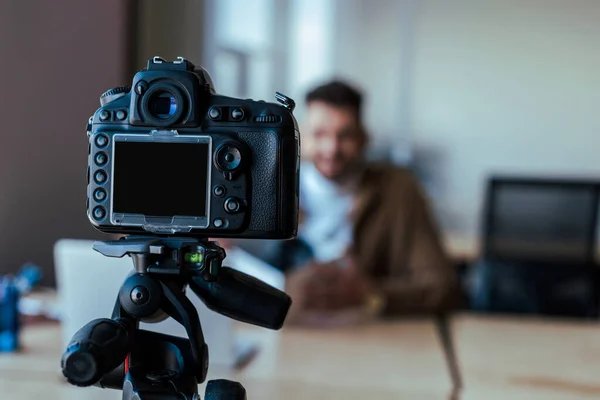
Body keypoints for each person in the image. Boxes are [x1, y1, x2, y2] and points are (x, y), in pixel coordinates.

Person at [279, 80, 461, 326]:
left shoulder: (398, 190)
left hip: (370, 337)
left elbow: (442, 287)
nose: (331, 149)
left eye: (345, 136)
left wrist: (372, 294)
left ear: (364, 138)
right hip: (284, 333)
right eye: (319, 134)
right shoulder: (271, 186)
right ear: (300, 137)